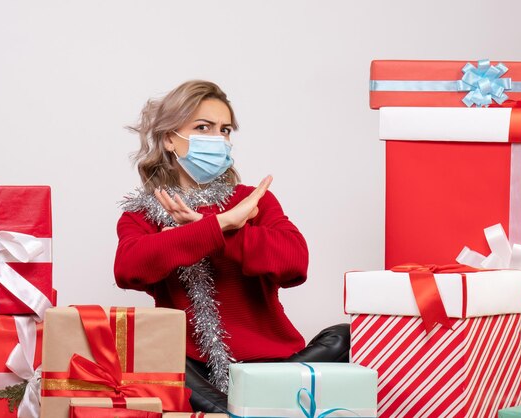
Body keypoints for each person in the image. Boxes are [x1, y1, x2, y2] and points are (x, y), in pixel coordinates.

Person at [114, 80, 349, 413]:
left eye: (224, 130)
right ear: (170, 139)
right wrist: (219, 225)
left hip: (273, 365)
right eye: (203, 127)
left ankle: (239, 407)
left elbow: (295, 262)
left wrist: (229, 232)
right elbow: (129, 268)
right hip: (196, 373)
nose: (218, 139)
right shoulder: (143, 213)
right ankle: (242, 409)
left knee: (347, 335)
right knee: (143, 346)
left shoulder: (252, 201)